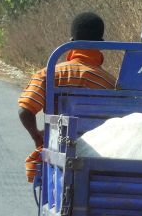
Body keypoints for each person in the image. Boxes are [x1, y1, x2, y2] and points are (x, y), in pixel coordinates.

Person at [18, 12, 116, 183]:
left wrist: (36, 136)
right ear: (101, 44)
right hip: (97, 160)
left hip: (57, 155)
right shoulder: (110, 83)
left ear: (71, 41)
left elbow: (24, 110)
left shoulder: (48, 75)